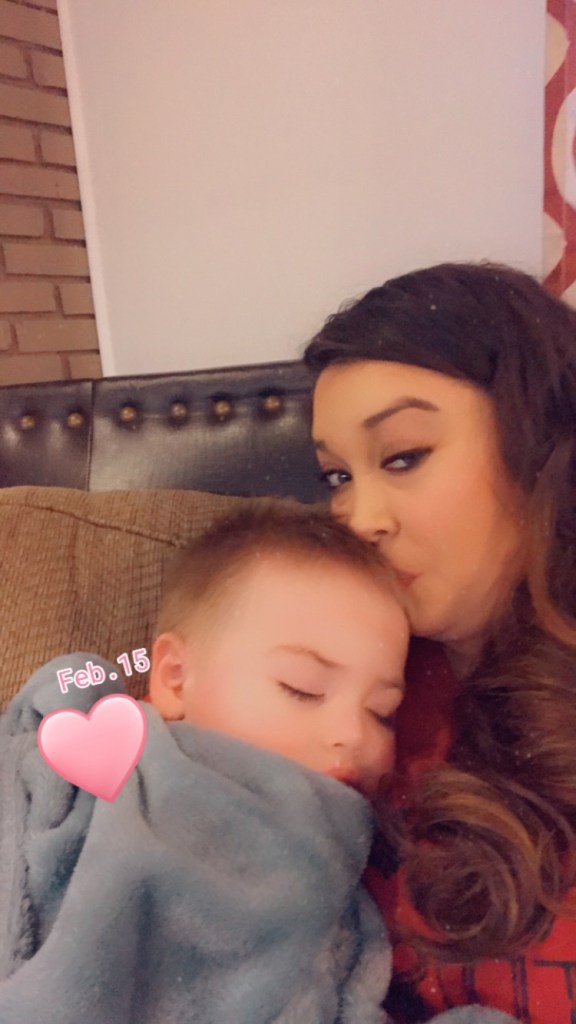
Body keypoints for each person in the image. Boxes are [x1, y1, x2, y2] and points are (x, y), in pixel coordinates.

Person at [0, 501, 514, 1023]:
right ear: (175, 677)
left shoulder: (342, 879)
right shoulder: (80, 778)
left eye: (382, 713)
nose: (353, 735)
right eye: (302, 688)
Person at [303, 260, 576, 1024]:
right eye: (336, 477)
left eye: (402, 457)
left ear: (537, 444)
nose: (360, 519)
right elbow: (127, 671)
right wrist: (98, 685)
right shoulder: (336, 651)